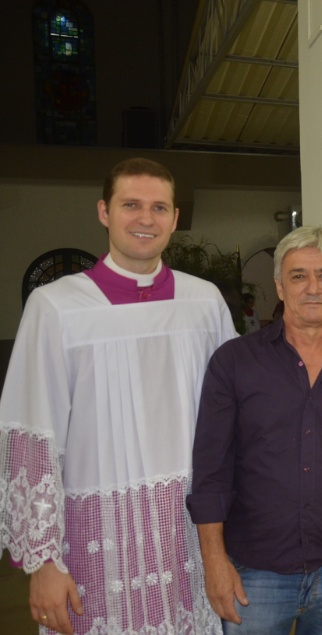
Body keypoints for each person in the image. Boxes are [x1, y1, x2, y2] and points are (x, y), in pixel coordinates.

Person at [0, 158, 235, 635]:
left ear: (174, 218)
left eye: (159, 208)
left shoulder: (204, 302)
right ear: (104, 212)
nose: (145, 219)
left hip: (188, 531)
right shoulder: (57, 306)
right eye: (131, 205)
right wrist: (43, 562)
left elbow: (243, 400)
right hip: (97, 535)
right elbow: (33, 432)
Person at [187, 226, 322, 634]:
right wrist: (214, 562)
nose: (312, 287)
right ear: (280, 286)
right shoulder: (234, 363)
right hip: (254, 574)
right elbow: (210, 471)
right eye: (298, 276)